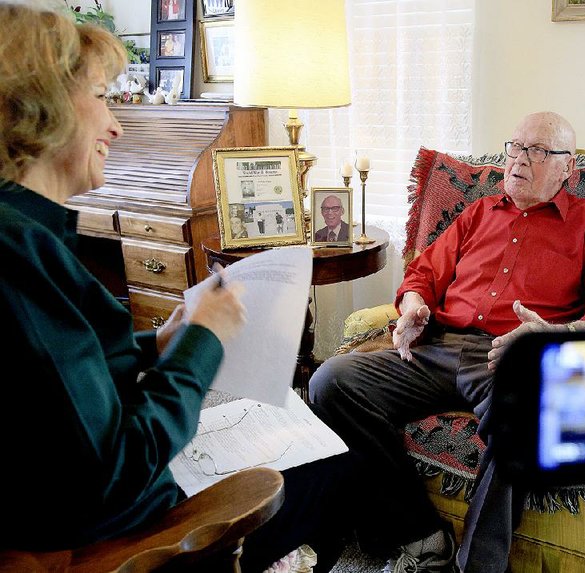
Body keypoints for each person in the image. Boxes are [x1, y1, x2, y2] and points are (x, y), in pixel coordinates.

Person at [0, 4, 359, 571]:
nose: (116, 125)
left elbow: (60, 384)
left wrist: (160, 346)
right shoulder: (18, 254)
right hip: (129, 532)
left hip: (81, 503)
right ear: (41, 107)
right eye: (100, 95)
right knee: (336, 469)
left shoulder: (23, 234)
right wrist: (201, 342)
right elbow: (118, 468)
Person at [310, 111, 585, 573]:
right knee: (332, 381)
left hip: (512, 357)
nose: (519, 159)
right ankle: (422, 537)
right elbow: (422, 273)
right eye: (516, 146)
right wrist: (412, 307)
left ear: (568, 168)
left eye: (538, 151)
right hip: (438, 345)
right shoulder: (478, 213)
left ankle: (478, 566)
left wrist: (554, 336)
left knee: (521, 417)